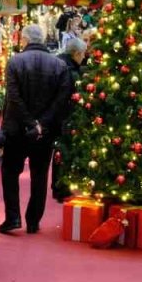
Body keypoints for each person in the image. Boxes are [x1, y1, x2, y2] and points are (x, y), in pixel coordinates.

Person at [0, 24, 72, 234]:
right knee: (39, 175)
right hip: (45, 131)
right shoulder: (59, 65)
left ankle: (13, 217)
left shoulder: (15, 61)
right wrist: (41, 123)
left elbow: (13, 97)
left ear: (24, 40)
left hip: (16, 129)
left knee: (10, 172)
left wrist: (31, 123)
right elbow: (61, 100)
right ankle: (33, 221)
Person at [53, 37, 86, 201]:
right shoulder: (70, 71)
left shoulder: (59, 63)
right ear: (76, 53)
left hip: (57, 116)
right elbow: (69, 96)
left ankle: (59, 186)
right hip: (65, 117)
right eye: (83, 54)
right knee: (63, 152)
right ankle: (61, 187)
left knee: (60, 152)